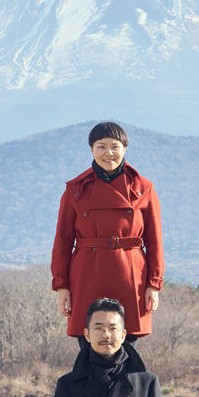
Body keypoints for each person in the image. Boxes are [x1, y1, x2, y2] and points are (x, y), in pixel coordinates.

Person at [51, 121, 164, 342]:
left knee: (127, 342)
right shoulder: (75, 190)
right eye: (101, 146)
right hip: (87, 274)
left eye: (115, 146)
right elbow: (62, 241)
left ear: (125, 149)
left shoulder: (143, 188)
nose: (108, 153)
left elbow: (155, 239)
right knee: (88, 340)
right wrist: (61, 286)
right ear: (91, 149)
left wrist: (154, 283)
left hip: (131, 273)